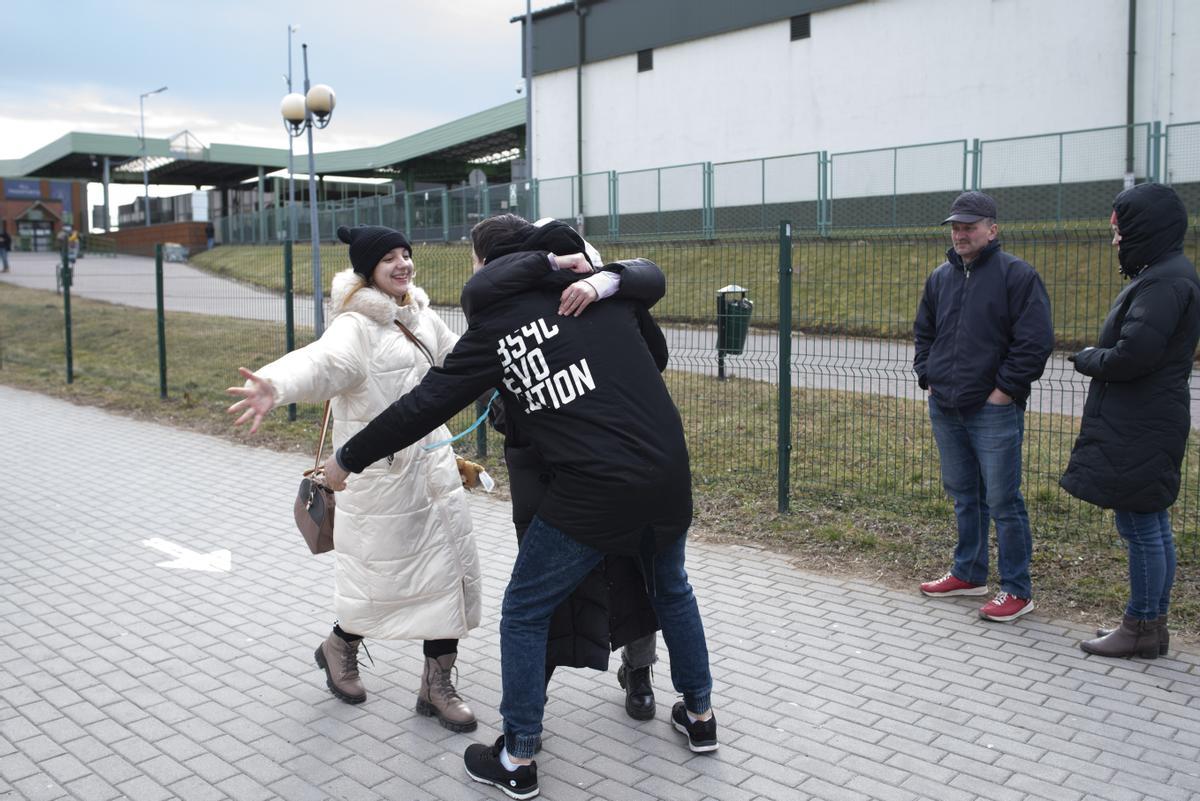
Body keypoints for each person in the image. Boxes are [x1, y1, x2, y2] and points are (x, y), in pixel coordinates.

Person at [324, 215, 717, 800]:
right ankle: (701, 717)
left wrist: (348, 458)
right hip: (666, 475)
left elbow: (425, 406)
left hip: (591, 492)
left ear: (485, 267)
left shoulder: (499, 326)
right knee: (671, 588)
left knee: (527, 611)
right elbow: (653, 354)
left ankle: (517, 755)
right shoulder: (598, 293)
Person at [225, 224, 483, 733]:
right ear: (368, 270)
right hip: (378, 481)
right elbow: (322, 364)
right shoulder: (355, 326)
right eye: (389, 257)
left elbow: (465, 360)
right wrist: (274, 386)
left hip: (433, 474)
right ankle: (339, 645)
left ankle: (437, 685)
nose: (403, 264)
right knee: (377, 584)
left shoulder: (423, 317)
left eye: (406, 254)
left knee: (447, 580)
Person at [488, 220, 663, 723]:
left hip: (603, 470)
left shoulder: (597, 295)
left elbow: (653, 347)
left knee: (621, 579)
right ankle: (532, 702)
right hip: (556, 477)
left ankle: (639, 673)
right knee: (550, 595)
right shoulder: (511, 314)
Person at [1061, 183, 1199, 659]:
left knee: (1141, 527)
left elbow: (1133, 355)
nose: (1115, 240)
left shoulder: (1163, 282)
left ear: (1145, 228)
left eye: (1120, 230)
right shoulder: (1167, 274)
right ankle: (1150, 625)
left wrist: (1086, 357)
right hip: (1149, 417)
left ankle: (1140, 626)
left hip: (1142, 421)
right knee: (1152, 524)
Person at [913, 191, 1054, 622]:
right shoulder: (940, 277)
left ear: (992, 229)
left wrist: (1003, 392)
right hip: (947, 406)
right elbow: (925, 333)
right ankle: (969, 573)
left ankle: (1016, 589)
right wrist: (929, 377)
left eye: (969, 226)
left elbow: (1034, 342)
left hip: (993, 409)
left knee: (1003, 501)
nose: (960, 234)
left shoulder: (1017, 276)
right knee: (963, 496)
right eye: (955, 226)